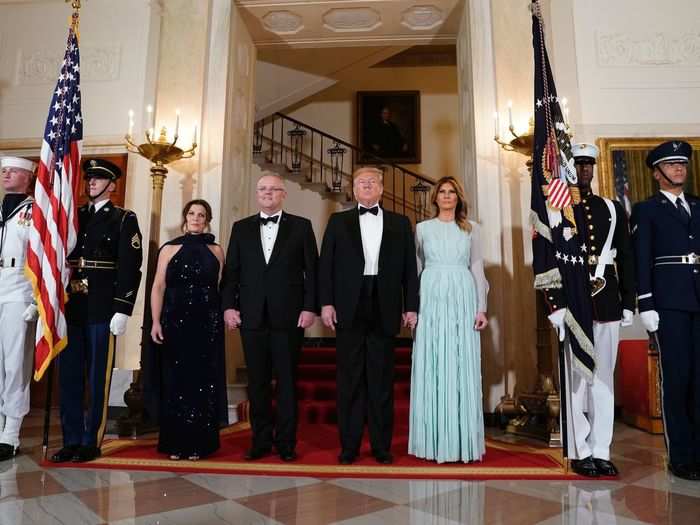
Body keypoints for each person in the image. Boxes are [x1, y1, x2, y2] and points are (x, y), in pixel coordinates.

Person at [319, 166, 419, 465]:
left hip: (385, 304)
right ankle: (349, 446)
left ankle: (381, 447)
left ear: (381, 188)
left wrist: (410, 305)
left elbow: (409, 270)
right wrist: (326, 303)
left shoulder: (401, 223)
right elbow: (326, 266)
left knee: (381, 381)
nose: (366, 186)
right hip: (348, 305)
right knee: (349, 380)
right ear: (354, 188)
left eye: (372, 182)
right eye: (361, 182)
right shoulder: (337, 221)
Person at [50, 159, 143, 464]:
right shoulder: (73, 217)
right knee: (70, 376)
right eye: (89, 178)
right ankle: (71, 439)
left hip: (103, 306)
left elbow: (131, 267)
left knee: (97, 376)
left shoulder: (123, 218)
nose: (91, 182)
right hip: (72, 305)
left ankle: (92, 440)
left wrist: (123, 308)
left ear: (112, 186)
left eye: (99, 178)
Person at [222, 174, 318, 462]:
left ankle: (286, 442)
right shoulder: (241, 228)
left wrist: (309, 307)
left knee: (287, 382)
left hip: (290, 316)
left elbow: (312, 271)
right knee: (258, 382)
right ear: (257, 194)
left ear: (283, 194)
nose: (267, 193)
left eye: (273, 189)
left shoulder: (301, 227)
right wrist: (228, 307)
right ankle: (260, 440)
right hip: (251, 316)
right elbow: (232, 274)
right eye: (262, 188)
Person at [565, 143, 635, 477]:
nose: (584, 170)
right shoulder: (561, 209)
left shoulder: (610, 206)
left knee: (604, 378)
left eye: (588, 164)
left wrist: (629, 301)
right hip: (576, 301)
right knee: (579, 379)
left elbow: (627, 256)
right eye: (578, 164)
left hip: (607, 300)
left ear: (595, 168)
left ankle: (601, 449)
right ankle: (580, 450)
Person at [631, 140, 700, 481]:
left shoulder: (699, 207)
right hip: (669, 304)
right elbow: (642, 258)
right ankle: (682, 457)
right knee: (677, 378)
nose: (679, 170)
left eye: (682, 164)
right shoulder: (647, 210)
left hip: (698, 301)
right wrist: (646, 302)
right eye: (671, 165)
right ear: (657, 173)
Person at [408, 176, 489, 463]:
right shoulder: (421, 229)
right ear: (435, 198)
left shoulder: (472, 229)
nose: (446, 196)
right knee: (432, 362)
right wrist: (412, 308)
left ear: (458, 197)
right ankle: (431, 442)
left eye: (451, 192)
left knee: (459, 362)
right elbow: (414, 270)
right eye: (441, 192)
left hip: (462, 297)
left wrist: (481, 307)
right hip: (430, 297)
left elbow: (477, 268)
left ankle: (461, 440)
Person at [150, 199, 227, 460]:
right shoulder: (169, 249)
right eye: (192, 213)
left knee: (202, 381)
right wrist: (156, 321)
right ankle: (175, 442)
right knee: (176, 380)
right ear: (185, 217)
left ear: (207, 220)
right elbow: (158, 286)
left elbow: (222, 286)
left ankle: (199, 443)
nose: (196, 218)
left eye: (201, 214)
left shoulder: (216, 249)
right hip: (175, 320)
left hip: (207, 322)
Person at [0, 157, 39, 461]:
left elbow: (42, 258)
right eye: (3, 170)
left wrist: (37, 301)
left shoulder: (34, 211)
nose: (5, 173)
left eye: (13, 170)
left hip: (19, 291)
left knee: (15, 364)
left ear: (28, 177)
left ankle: (10, 433)